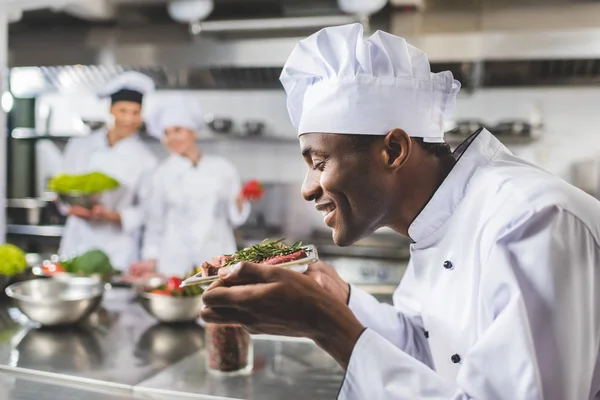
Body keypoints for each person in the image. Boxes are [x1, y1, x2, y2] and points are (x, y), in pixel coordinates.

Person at [199, 23, 600, 399]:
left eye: (319, 163)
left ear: (393, 150)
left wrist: (327, 324)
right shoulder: (437, 223)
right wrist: (341, 300)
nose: (307, 189)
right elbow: (429, 347)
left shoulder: (532, 221)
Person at [129, 95, 252, 277]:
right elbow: (155, 223)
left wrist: (241, 201)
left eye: (177, 130)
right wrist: (151, 258)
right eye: (166, 133)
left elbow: (235, 218)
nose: (171, 138)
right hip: (175, 260)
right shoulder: (160, 173)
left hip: (217, 254)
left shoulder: (223, 168)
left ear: (192, 132)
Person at [58, 71, 158, 271]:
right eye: (123, 110)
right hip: (78, 240)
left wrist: (111, 216)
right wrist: (70, 208)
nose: (129, 119)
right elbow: (63, 190)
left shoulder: (147, 159)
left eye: (135, 112)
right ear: (111, 110)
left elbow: (148, 211)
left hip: (118, 248)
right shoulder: (80, 146)